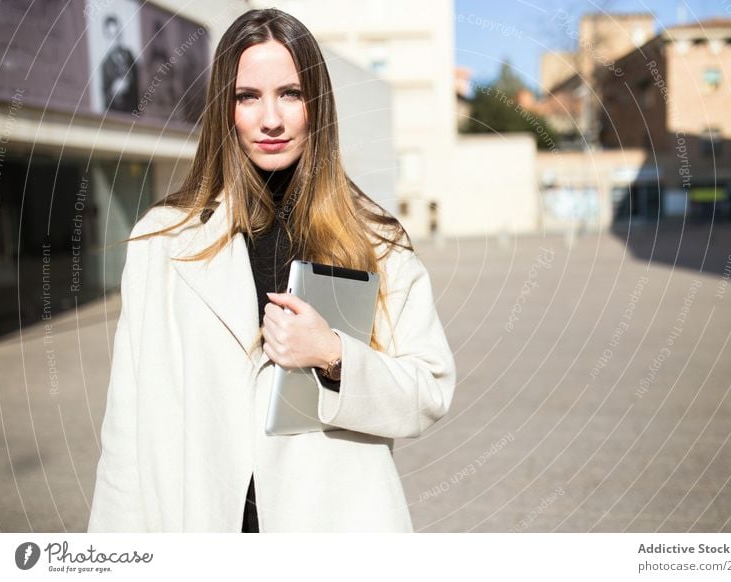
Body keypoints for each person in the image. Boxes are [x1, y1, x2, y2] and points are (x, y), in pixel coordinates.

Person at [87, 8, 456, 533]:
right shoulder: (163, 240)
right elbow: (127, 430)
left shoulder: (373, 238)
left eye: (291, 93)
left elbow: (428, 391)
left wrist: (333, 355)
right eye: (248, 97)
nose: (271, 120)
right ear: (225, 109)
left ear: (316, 105)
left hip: (337, 527)